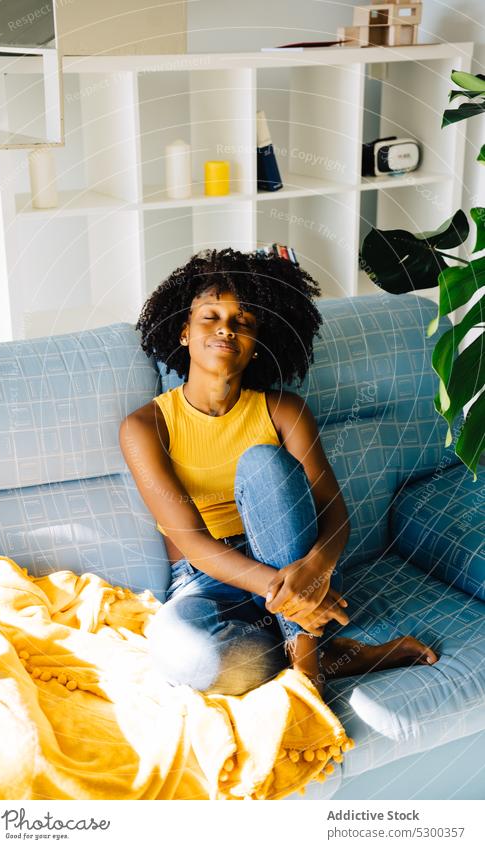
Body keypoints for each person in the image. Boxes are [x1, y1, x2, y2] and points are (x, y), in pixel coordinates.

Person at [120, 247, 438, 698]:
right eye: (211, 316)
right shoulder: (144, 427)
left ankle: (306, 669)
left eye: (243, 322)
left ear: (255, 347)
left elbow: (331, 510)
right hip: (208, 579)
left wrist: (314, 570)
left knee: (262, 461)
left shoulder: (284, 410)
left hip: (297, 558)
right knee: (197, 663)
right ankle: (327, 653)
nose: (227, 327)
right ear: (184, 333)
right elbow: (189, 540)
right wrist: (295, 595)